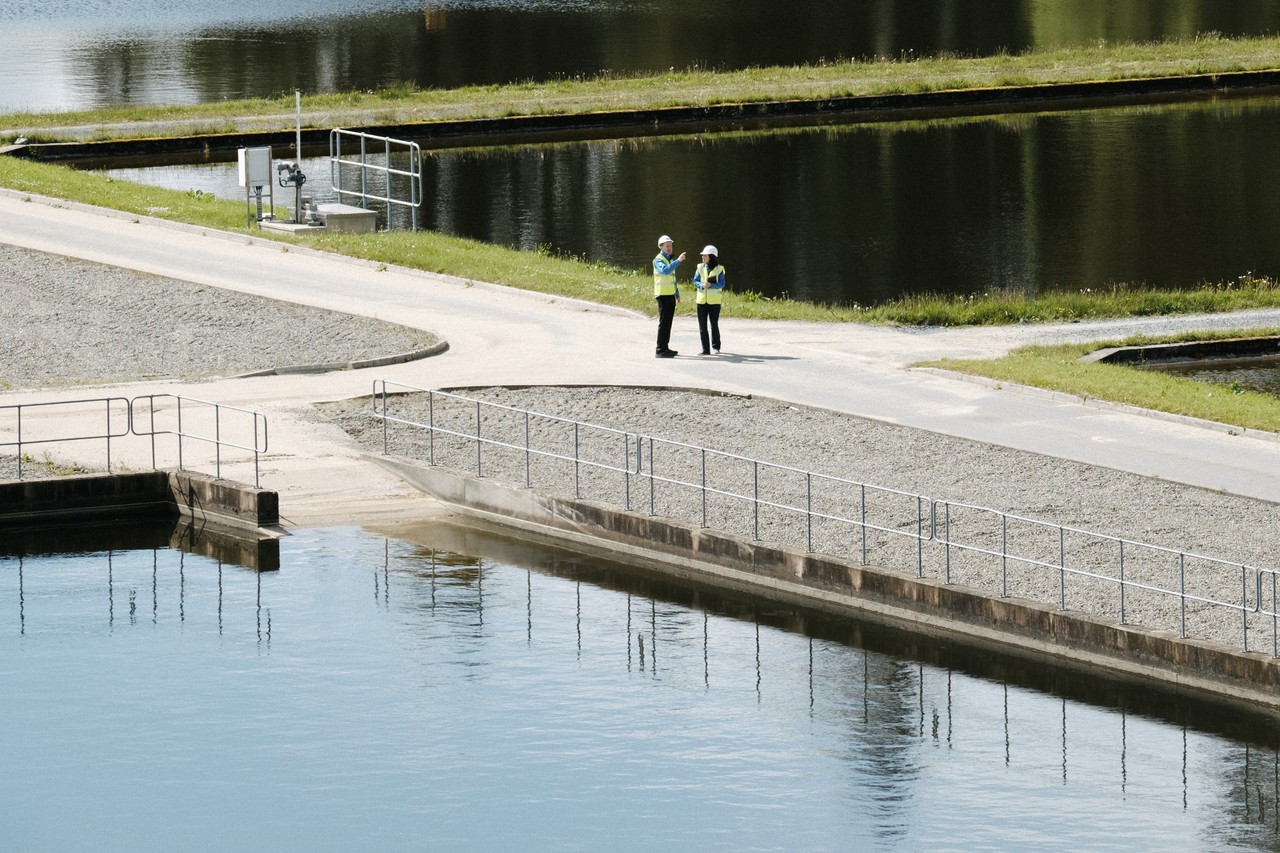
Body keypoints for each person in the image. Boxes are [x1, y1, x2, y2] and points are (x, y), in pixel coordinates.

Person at [652, 234, 685, 357]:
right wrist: (679, 260)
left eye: (670, 246)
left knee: (668, 323)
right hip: (662, 295)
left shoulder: (669, 260)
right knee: (664, 323)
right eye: (667, 246)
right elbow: (665, 270)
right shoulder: (659, 260)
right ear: (661, 247)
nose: (669, 248)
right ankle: (660, 350)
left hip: (670, 295)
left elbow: (673, 279)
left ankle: (665, 348)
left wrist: (677, 294)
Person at [693, 245, 726, 355]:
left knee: (714, 325)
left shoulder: (719, 269)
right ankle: (705, 350)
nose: (702, 258)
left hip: (714, 302)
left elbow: (722, 283)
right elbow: (695, 281)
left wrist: (711, 285)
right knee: (702, 327)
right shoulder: (700, 267)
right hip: (701, 301)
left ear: (711, 257)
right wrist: (702, 285)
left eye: (705, 256)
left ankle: (716, 347)